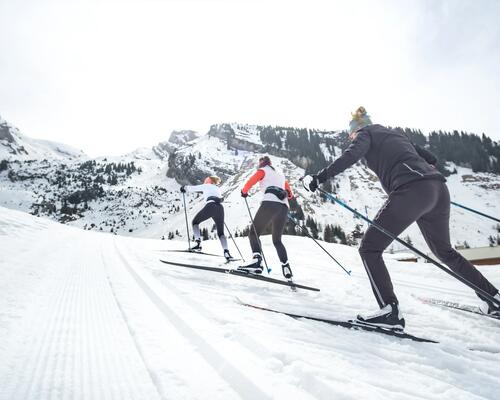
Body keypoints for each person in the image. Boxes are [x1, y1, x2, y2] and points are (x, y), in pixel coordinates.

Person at [303, 106, 500, 329]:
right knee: (445, 252)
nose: (352, 137)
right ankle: (493, 299)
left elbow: (353, 155)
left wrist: (319, 178)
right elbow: (431, 158)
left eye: (351, 134)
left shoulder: (365, 134)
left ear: (356, 129)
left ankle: (389, 311)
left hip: (412, 191)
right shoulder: (396, 134)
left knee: (369, 248)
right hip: (438, 190)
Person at [239, 156, 294, 279]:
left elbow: (251, 181)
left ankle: (257, 262)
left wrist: (244, 191)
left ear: (262, 163)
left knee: (253, 234)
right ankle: (286, 266)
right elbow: (290, 194)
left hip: (270, 203)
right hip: (284, 207)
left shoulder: (263, 170)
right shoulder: (280, 174)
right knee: (277, 240)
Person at [180, 175, 233, 261]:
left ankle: (198, 244)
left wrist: (184, 187)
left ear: (210, 181)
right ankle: (226, 252)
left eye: (206, 180)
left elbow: (193, 188)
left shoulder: (207, 186)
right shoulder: (217, 188)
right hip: (220, 208)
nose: (204, 181)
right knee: (221, 233)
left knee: (195, 222)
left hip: (210, 206)